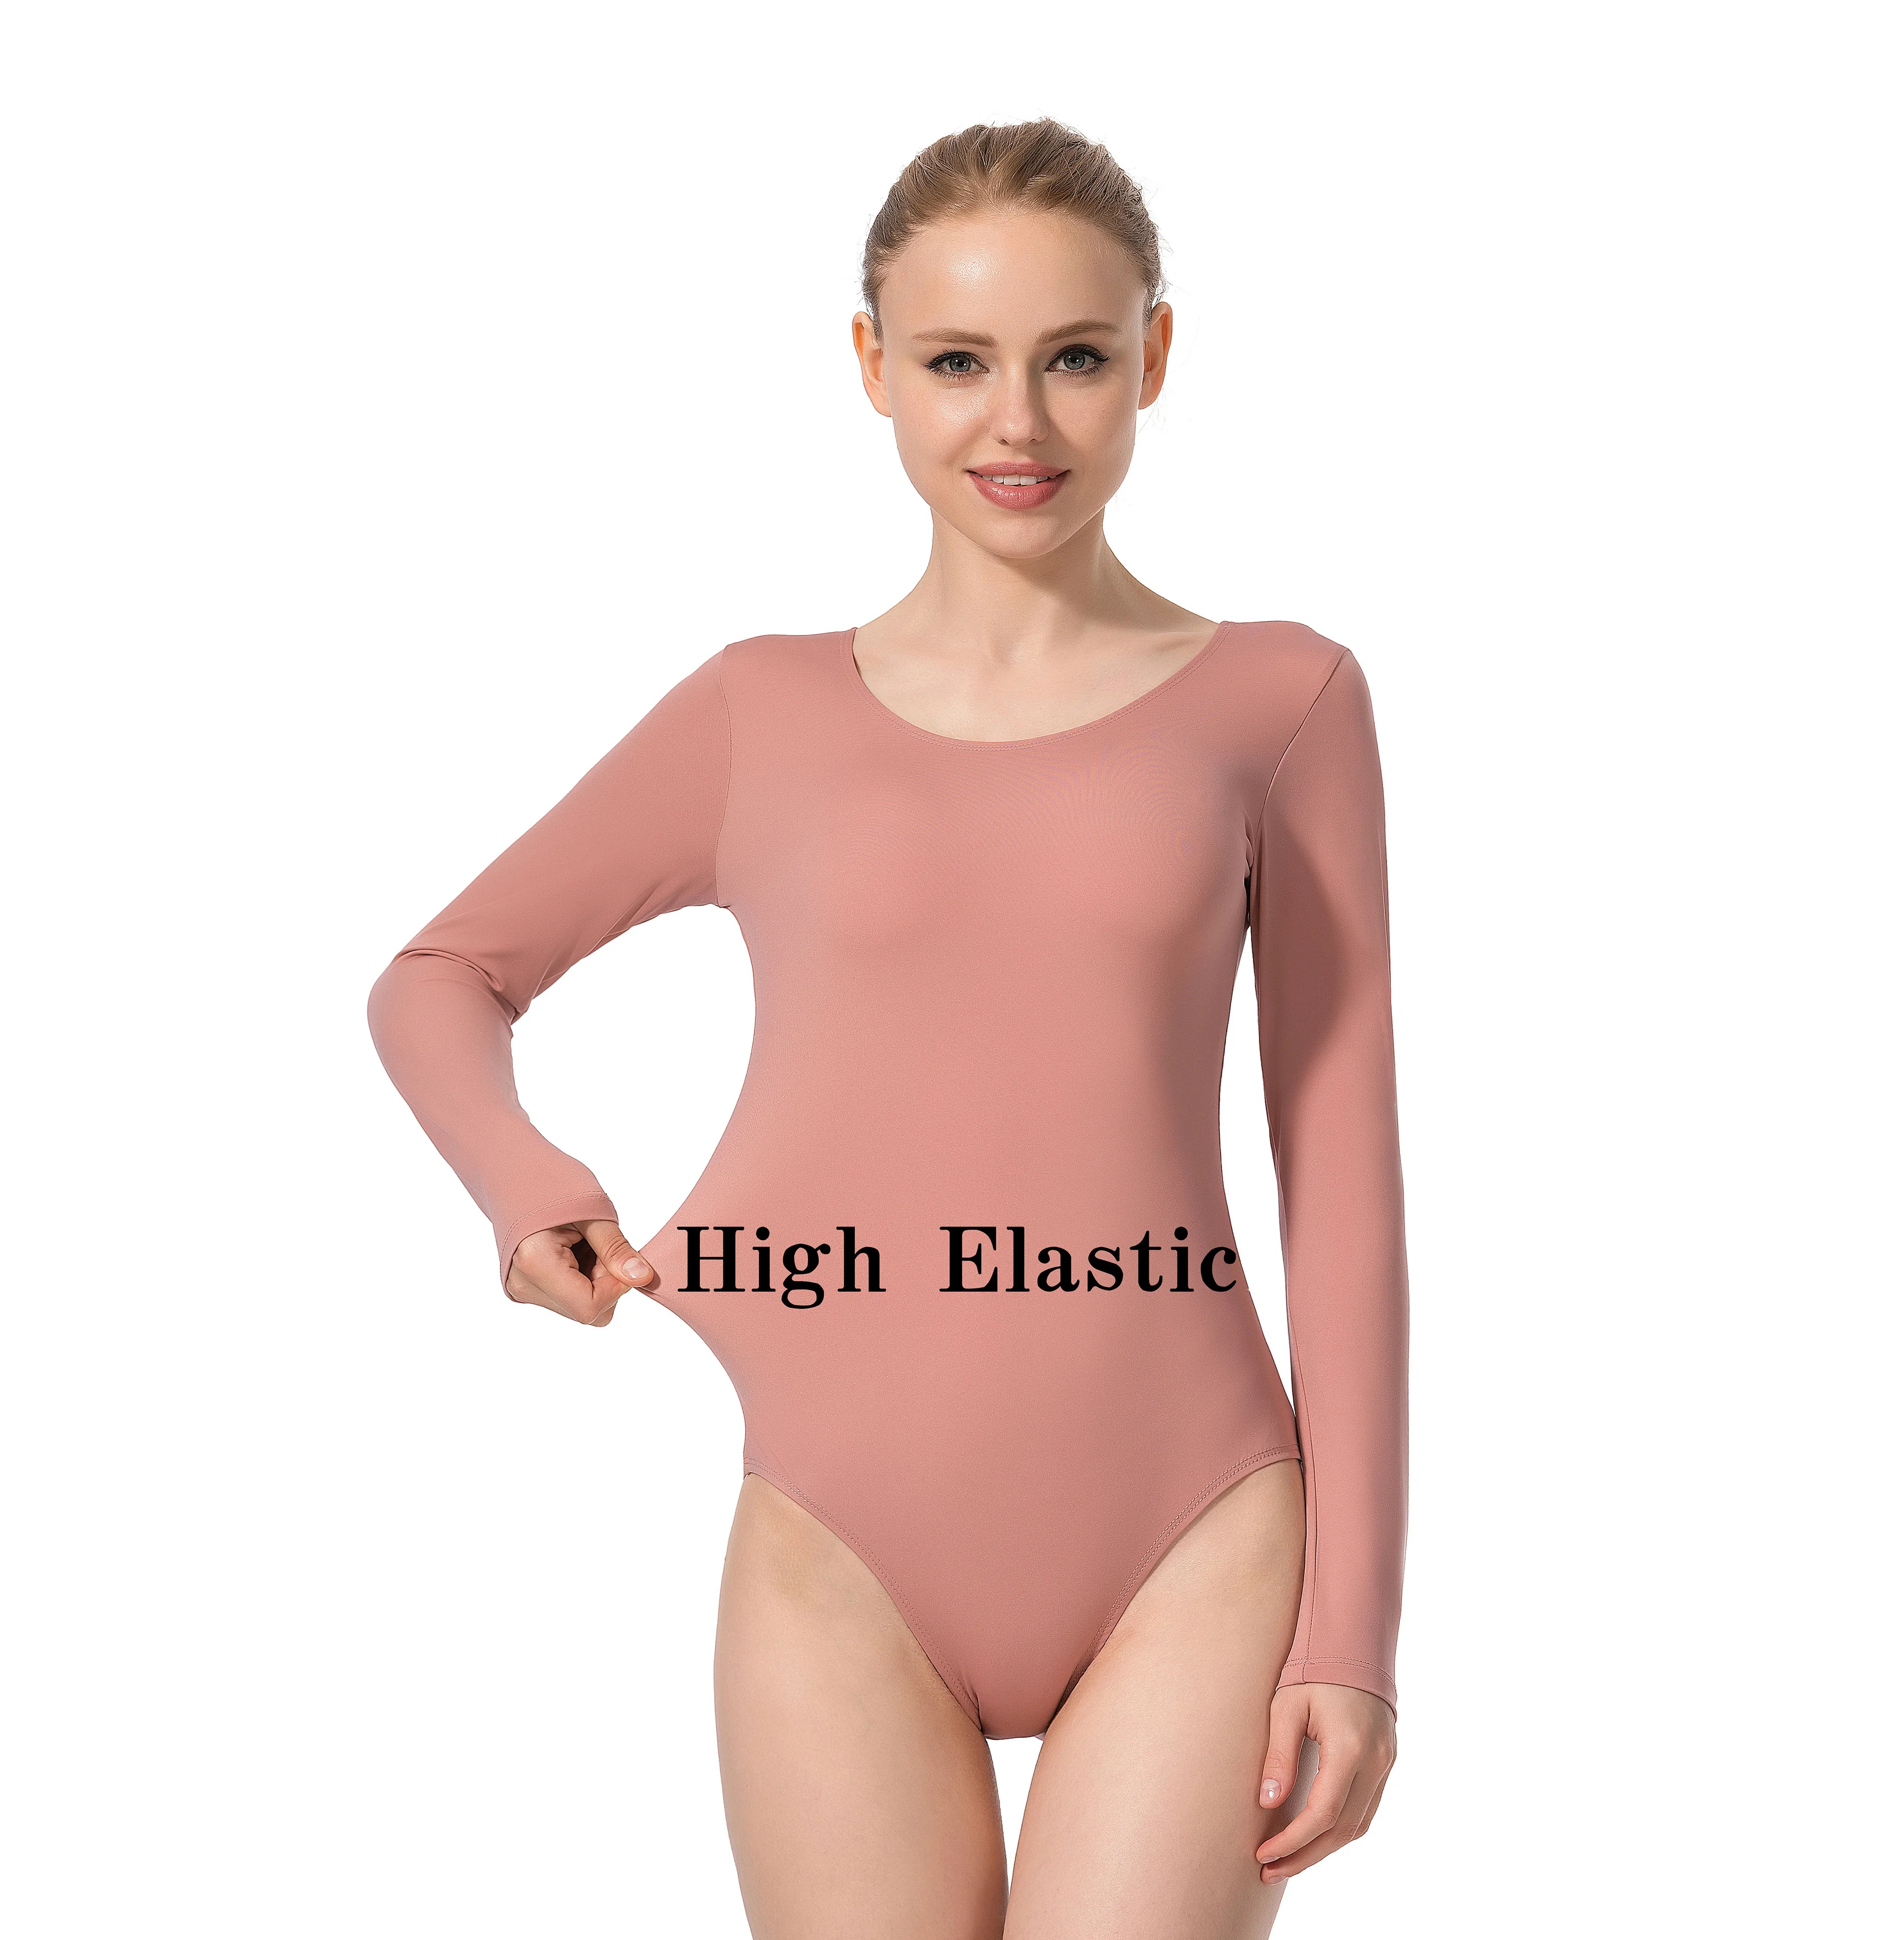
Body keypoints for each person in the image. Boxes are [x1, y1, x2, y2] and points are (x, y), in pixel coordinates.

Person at [369, 117, 1407, 1939]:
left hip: (1191, 1525)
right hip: (837, 1532)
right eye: (953, 361)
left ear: (1155, 354)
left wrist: (1354, 1634)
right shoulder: (758, 714)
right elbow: (441, 975)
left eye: (1074, 356)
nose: (1016, 422)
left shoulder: (1279, 700)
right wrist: (526, 1185)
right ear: (870, 365)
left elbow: (1342, 1177)